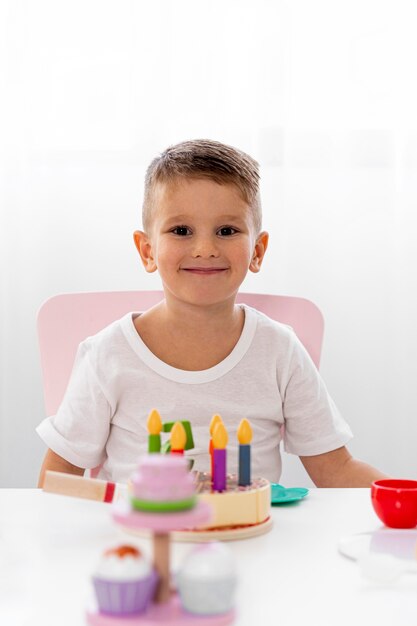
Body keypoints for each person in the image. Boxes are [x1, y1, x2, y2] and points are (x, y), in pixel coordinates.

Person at [37, 138, 386, 488]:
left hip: (250, 541)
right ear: (147, 251)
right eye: (181, 231)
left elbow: (336, 469)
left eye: (227, 231)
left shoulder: (280, 351)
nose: (205, 249)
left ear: (257, 251)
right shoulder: (107, 355)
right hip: (145, 539)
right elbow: (59, 478)